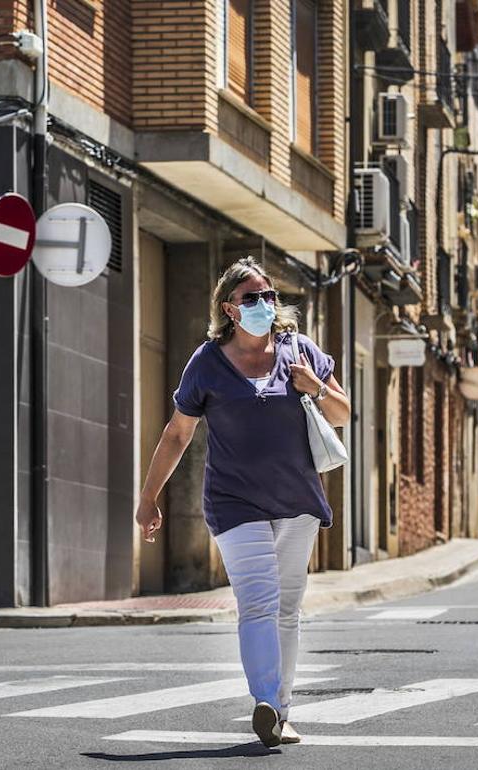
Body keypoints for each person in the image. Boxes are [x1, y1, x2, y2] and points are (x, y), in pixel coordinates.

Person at [135, 257, 350, 748]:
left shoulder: (299, 350)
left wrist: (313, 388)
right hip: (235, 505)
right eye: (251, 298)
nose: (264, 304)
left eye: (269, 295)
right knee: (257, 602)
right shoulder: (207, 363)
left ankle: (283, 709)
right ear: (230, 309)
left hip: (297, 500)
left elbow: (343, 413)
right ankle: (267, 703)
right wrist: (148, 497)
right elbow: (177, 433)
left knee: (288, 607)